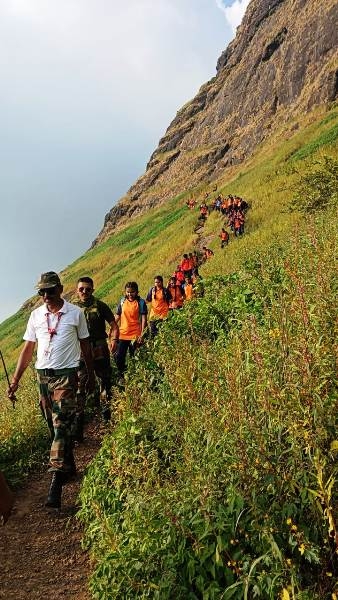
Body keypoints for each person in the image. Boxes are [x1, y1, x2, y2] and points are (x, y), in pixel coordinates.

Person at [7, 271, 95, 510]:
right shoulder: (36, 316)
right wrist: (15, 380)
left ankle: (56, 481)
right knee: (53, 425)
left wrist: (91, 375)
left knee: (59, 425)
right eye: (42, 291)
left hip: (66, 377)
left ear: (60, 288)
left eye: (50, 290)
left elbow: (86, 346)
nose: (46, 295)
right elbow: (27, 349)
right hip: (42, 378)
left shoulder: (76, 314)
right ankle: (69, 462)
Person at [74, 276, 119, 431]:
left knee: (105, 381)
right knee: (80, 386)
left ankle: (107, 419)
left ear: (92, 290)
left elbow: (113, 325)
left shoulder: (100, 305)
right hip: (80, 352)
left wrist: (114, 339)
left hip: (100, 348)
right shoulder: (71, 309)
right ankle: (79, 426)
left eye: (88, 289)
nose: (84, 291)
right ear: (77, 290)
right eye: (81, 289)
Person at [114, 282, 147, 379]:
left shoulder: (141, 302)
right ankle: (122, 375)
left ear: (137, 292)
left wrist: (142, 334)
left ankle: (137, 377)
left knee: (135, 358)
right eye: (128, 292)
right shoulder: (122, 301)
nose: (130, 294)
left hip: (135, 335)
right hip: (123, 334)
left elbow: (144, 319)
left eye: (132, 292)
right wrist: (112, 328)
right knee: (119, 357)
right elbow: (117, 316)